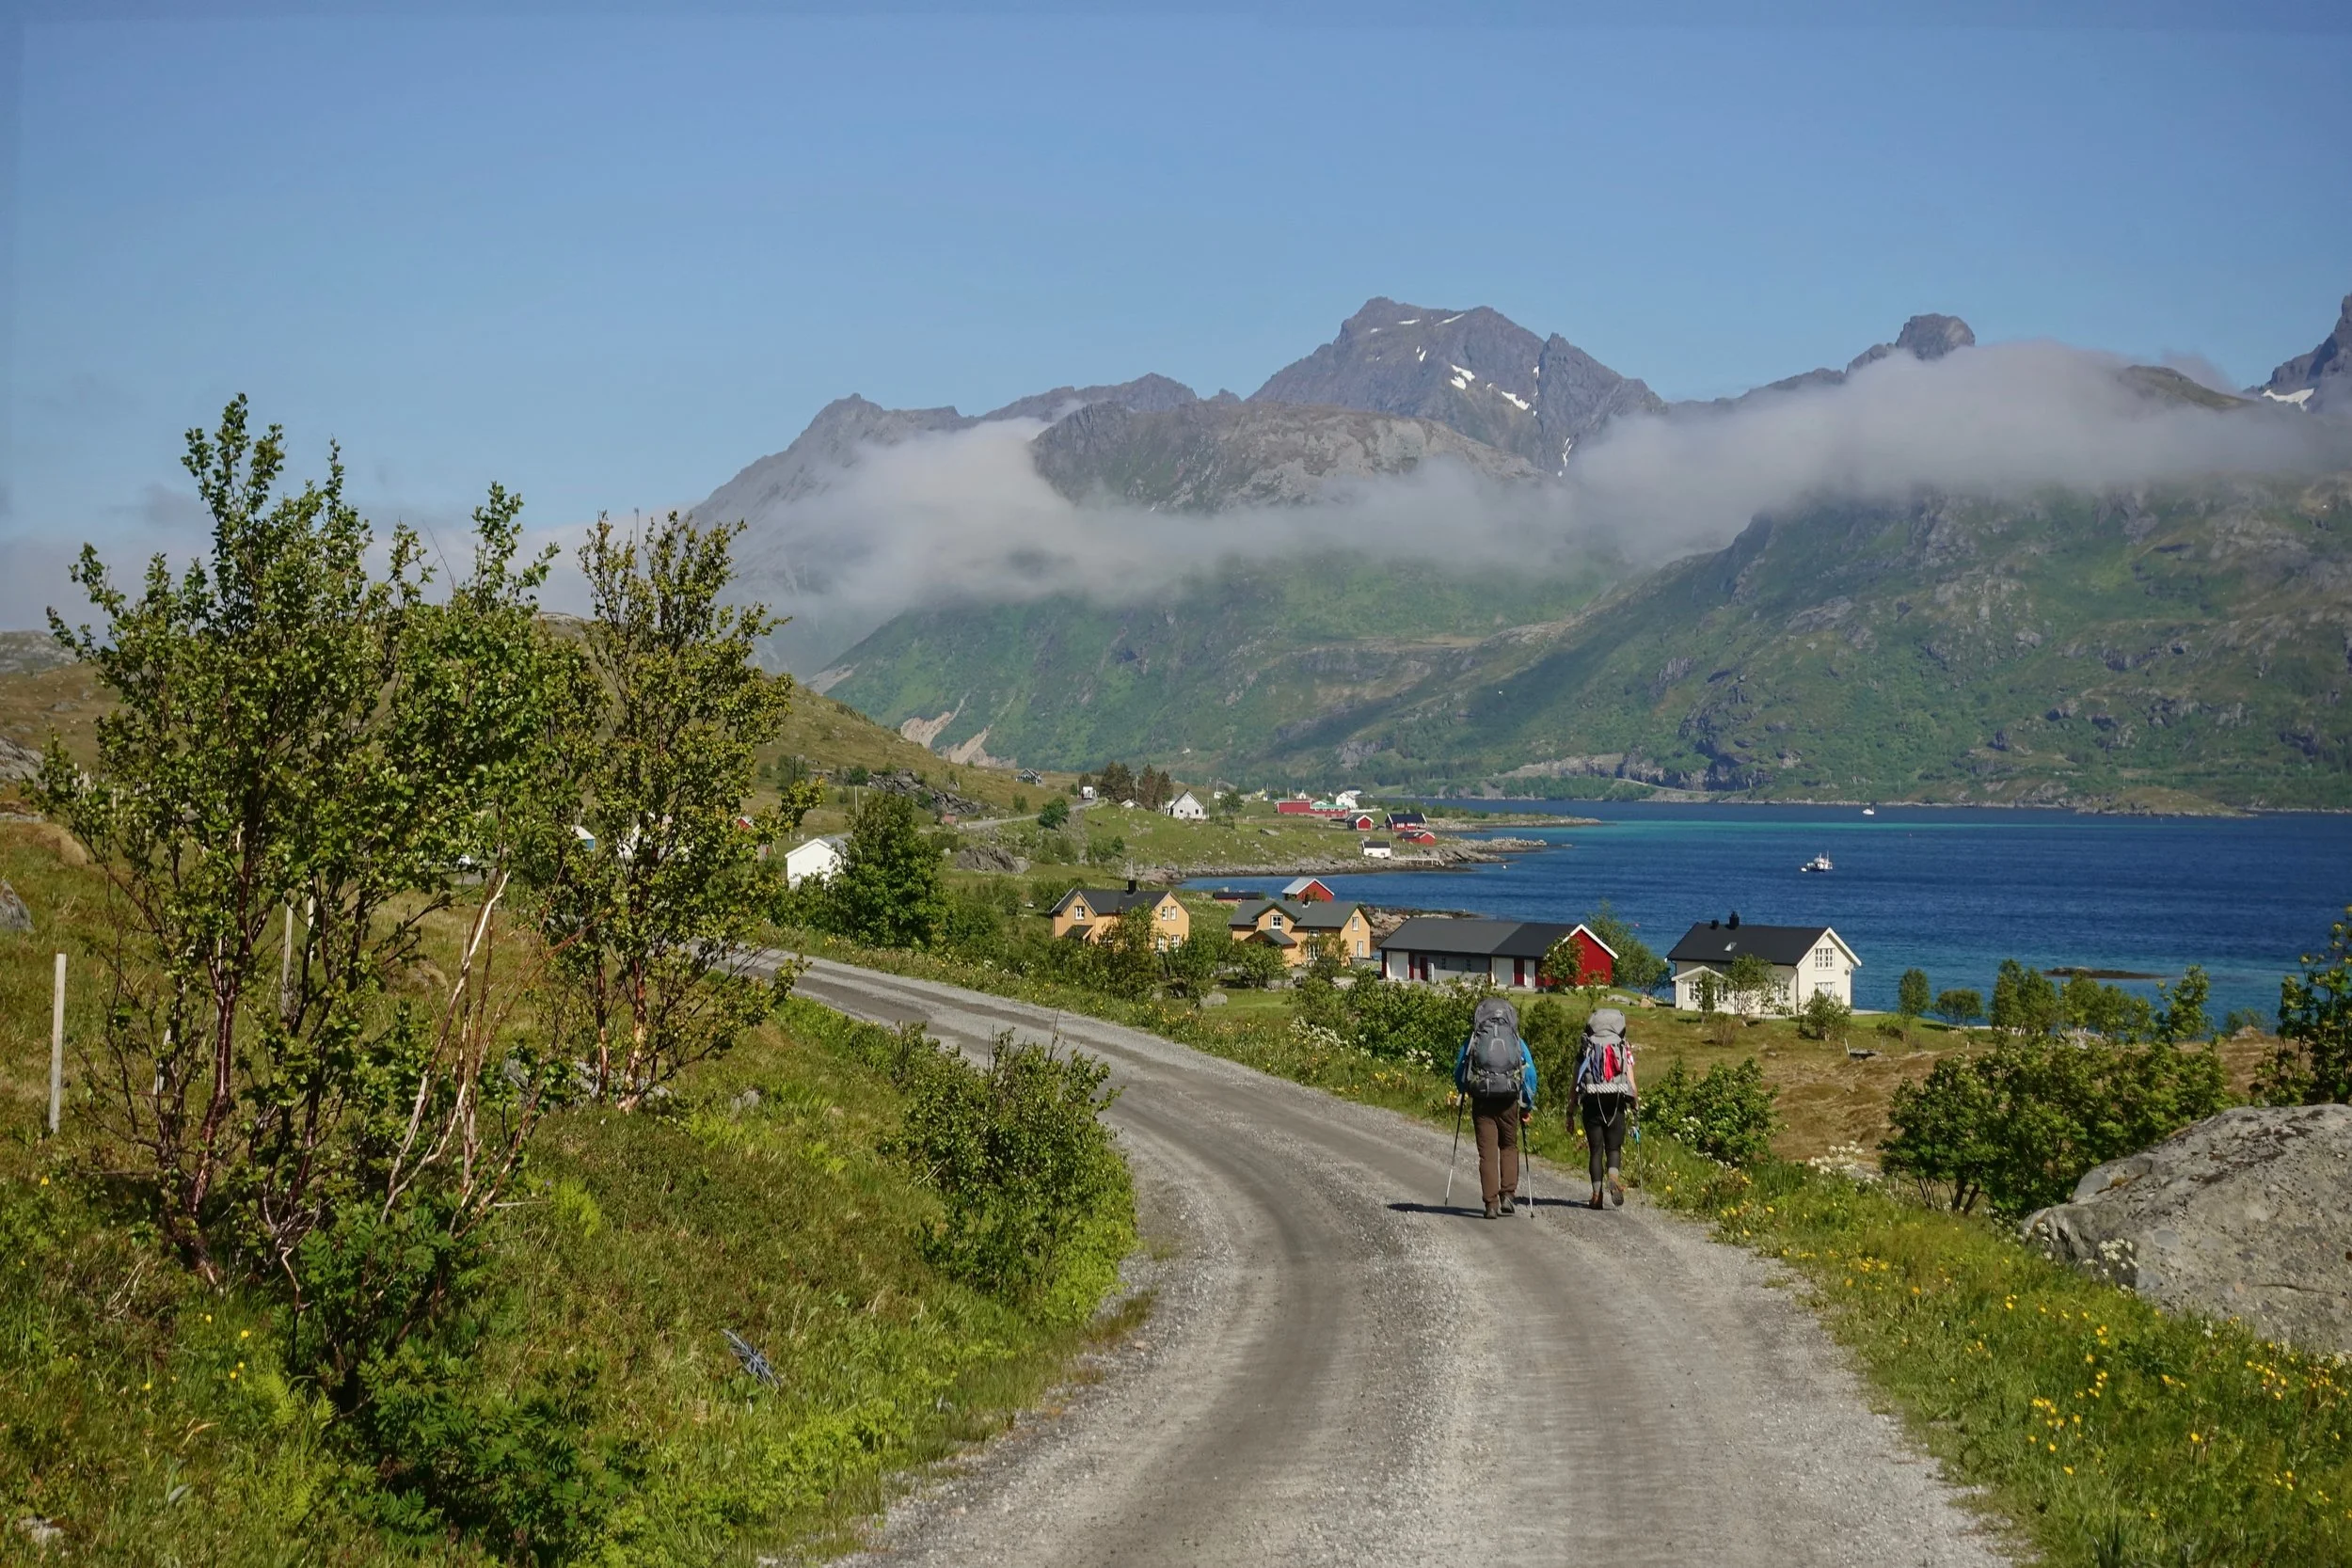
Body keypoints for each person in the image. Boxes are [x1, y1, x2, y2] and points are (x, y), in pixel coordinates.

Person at [1454, 996, 1538, 1219]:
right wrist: (1527, 1105)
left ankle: (1491, 1204)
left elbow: (1460, 1070)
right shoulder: (1516, 1040)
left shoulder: (1474, 1038)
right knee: (1509, 1145)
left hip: (1482, 1099)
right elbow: (1530, 1074)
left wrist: (1465, 1090)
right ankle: (1508, 1195)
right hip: (1509, 1098)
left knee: (1487, 1153)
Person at [1569, 1006, 1638, 1210]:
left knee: (1596, 1150)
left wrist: (1569, 1113)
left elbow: (1574, 1085)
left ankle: (1596, 1195)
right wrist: (1635, 1106)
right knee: (1614, 1147)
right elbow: (1632, 1084)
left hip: (1591, 1102)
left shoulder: (1585, 1050)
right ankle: (1614, 1177)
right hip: (1615, 1102)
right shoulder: (1623, 1048)